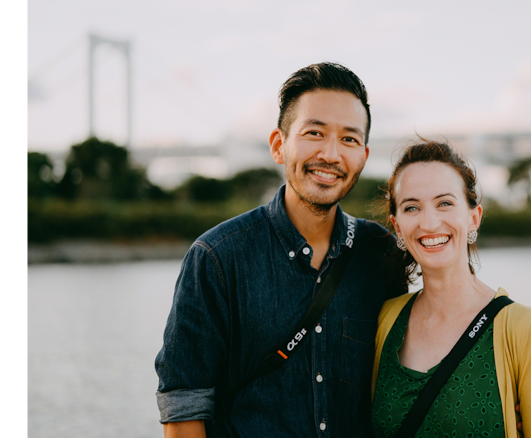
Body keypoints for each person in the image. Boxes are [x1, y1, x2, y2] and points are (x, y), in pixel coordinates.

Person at [155, 62, 406, 437]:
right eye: (314, 133)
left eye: (349, 139)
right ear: (278, 145)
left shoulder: (379, 253)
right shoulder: (218, 257)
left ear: (363, 158)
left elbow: (405, 372)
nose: (331, 154)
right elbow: (184, 405)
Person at [370, 139, 531, 437]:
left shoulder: (526, 331)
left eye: (445, 203)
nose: (429, 223)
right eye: (411, 207)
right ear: (398, 227)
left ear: (473, 217)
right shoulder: (385, 320)